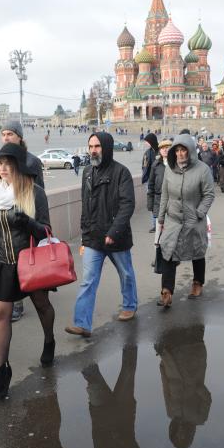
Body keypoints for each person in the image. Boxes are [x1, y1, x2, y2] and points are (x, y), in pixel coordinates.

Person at [0, 143, 54, 399]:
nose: (3, 168)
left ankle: (49, 340)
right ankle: (2, 371)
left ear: (18, 165)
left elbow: (47, 232)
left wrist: (29, 221)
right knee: (1, 314)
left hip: (30, 260)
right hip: (3, 261)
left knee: (42, 304)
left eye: (8, 163)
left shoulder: (35, 192)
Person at [65, 132, 138, 337]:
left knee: (126, 274)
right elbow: (85, 207)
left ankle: (130, 305)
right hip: (93, 239)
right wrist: (83, 236)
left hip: (116, 237)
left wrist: (114, 232)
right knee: (88, 280)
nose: (93, 150)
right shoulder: (87, 172)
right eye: (90, 146)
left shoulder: (121, 172)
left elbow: (127, 205)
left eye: (97, 146)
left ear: (106, 147)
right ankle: (82, 324)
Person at [157, 133, 215, 307]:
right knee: (168, 251)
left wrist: (199, 213)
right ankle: (167, 291)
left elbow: (209, 194)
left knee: (197, 251)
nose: (180, 154)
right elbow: (165, 195)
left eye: (184, 150)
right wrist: (161, 218)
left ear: (190, 151)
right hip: (173, 219)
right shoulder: (169, 169)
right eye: (178, 150)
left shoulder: (202, 169)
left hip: (193, 219)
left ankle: (197, 283)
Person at [0, 121, 44, 322]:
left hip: (27, 218)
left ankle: (32, 292)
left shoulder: (31, 161)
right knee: (13, 263)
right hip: (8, 221)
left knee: (26, 260)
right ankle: (17, 301)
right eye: (3, 134)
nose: (6, 137)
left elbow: (38, 191)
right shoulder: (2, 161)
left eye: (10, 133)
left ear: (19, 137)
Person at [147, 138, 171, 239]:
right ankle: (159, 252)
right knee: (159, 232)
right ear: (160, 151)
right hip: (159, 201)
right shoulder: (155, 165)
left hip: (173, 202)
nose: (165, 150)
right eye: (162, 148)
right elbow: (151, 185)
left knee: (171, 231)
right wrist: (150, 204)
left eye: (167, 148)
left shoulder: (176, 164)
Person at [142, 132, 159, 231]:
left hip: (158, 180)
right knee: (151, 203)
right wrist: (144, 177)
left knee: (159, 203)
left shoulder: (159, 151)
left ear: (151, 141)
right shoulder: (147, 153)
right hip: (148, 181)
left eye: (147, 141)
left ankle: (159, 224)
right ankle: (155, 225)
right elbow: (144, 166)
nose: (145, 143)